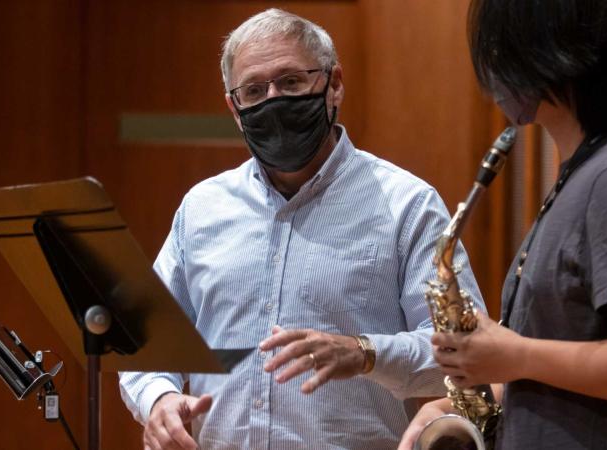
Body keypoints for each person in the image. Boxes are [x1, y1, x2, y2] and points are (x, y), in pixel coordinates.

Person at [119, 8, 483, 450]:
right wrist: (158, 398)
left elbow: (463, 351)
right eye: (254, 90)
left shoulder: (406, 204)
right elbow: (146, 338)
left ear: (334, 84)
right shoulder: (202, 208)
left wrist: (366, 352)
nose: (273, 100)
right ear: (234, 109)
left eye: (291, 82)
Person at [400, 1, 607, 449]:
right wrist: (462, 401)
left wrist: (516, 355)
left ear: (555, 50)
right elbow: (571, 362)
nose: (494, 70)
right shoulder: (586, 175)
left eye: (502, 48)